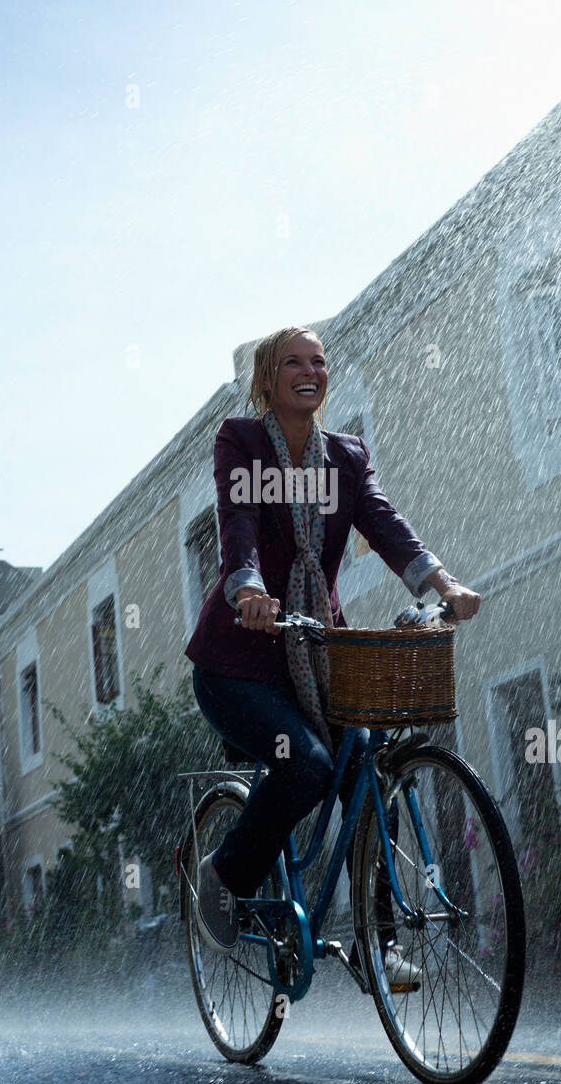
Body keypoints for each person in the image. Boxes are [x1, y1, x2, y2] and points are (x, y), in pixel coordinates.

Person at [184, 326, 480, 971]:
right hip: (238, 660)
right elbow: (237, 524)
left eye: (319, 361)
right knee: (310, 765)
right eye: (293, 361)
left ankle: (382, 941)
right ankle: (223, 876)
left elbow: (385, 523)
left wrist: (443, 582)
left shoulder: (346, 458)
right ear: (267, 380)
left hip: (316, 651)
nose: (309, 370)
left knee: (368, 773)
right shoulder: (242, 441)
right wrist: (248, 590)